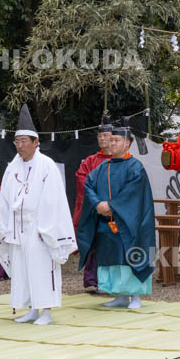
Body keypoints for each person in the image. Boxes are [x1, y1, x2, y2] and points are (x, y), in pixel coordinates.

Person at [0, 105, 76, 324]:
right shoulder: (12, 166)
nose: (19, 146)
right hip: (18, 227)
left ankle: (46, 311)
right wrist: (5, 227)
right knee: (22, 269)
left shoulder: (47, 166)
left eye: (23, 141)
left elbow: (53, 200)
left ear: (35, 142)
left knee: (42, 267)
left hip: (40, 226)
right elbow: (5, 198)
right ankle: (31, 308)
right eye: (16, 142)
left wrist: (45, 229)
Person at [76, 125, 156, 310]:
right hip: (106, 223)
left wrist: (111, 206)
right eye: (111, 140)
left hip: (129, 223)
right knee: (110, 255)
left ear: (127, 143)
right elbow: (88, 185)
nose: (112, 143)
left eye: (116, 140)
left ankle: (135, 295)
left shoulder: (136, 167)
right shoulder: (102, 167)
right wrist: (97, 204)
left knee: (129, 255)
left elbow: (134, 193)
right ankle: (119, 295)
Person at [73, 114, 114, 289]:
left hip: (113, 209)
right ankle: (91, 280)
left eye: (105, 136)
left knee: (111, 244)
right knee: (93, 243)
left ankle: (111, 282)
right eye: (100, 136)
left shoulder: (121, 159)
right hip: (93, 208)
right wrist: (96, 198)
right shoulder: (91, 161)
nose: (102, 139)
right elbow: (81, 178)